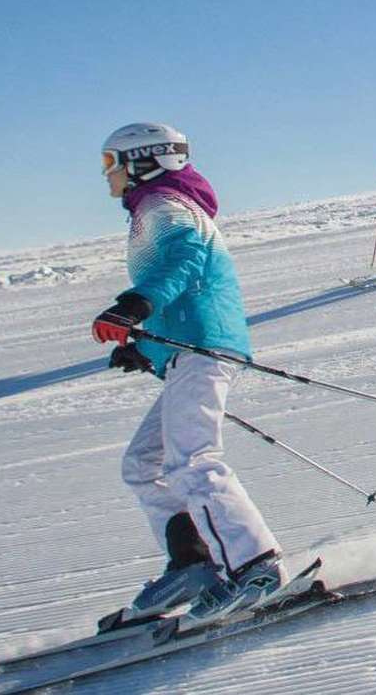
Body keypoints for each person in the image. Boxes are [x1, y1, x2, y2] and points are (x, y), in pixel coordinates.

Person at [94, 122, 286, 623]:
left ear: (145, 160)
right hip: (186, 348)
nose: (106, 175)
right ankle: (193, 562)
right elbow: (177, 281)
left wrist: (134, 305)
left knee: (192, 461)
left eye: (111, 163)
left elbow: (184, 262)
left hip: (204, 345)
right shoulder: (155, 206)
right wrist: (144, 349)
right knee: (143, 464)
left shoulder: (165, 205)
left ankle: (255, 567)